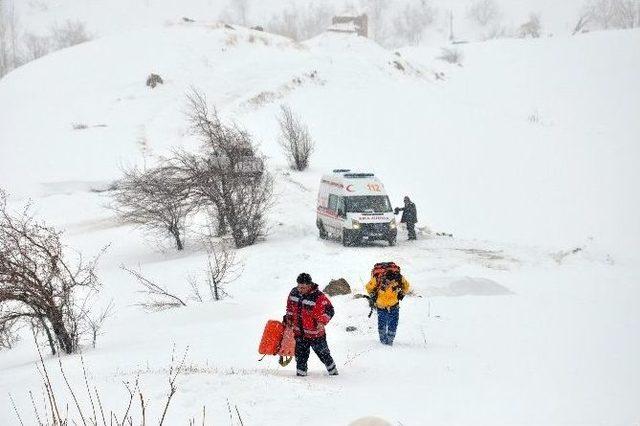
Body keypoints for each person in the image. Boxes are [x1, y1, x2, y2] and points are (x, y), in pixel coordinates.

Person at [284, 273, 338, 376]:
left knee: (324, 356)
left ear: (309, 285)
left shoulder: (319, 297)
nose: (300, 289)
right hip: (299, 333)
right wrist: (289, 318)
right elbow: (290, 308)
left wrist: (322, 321)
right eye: (299, 286)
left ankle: (334, 374)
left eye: (303, 287)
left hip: (316, 335)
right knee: (300, 358)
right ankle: (301, 378)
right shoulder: (294, 293)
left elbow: (330, 310)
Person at [365, 269, 410, 346]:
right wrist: (372, 295)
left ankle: (389, 342)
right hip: (381, 306)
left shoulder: (399, 278)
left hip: (394, 305)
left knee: (393, 324)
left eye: (392, 282)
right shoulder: (377, 279)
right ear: (384, 278)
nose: (390, 283)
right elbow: (368, 287)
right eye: (388, 282)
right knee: (382, 324)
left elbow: (406, 286)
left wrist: (402, 294)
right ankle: (382, 342)